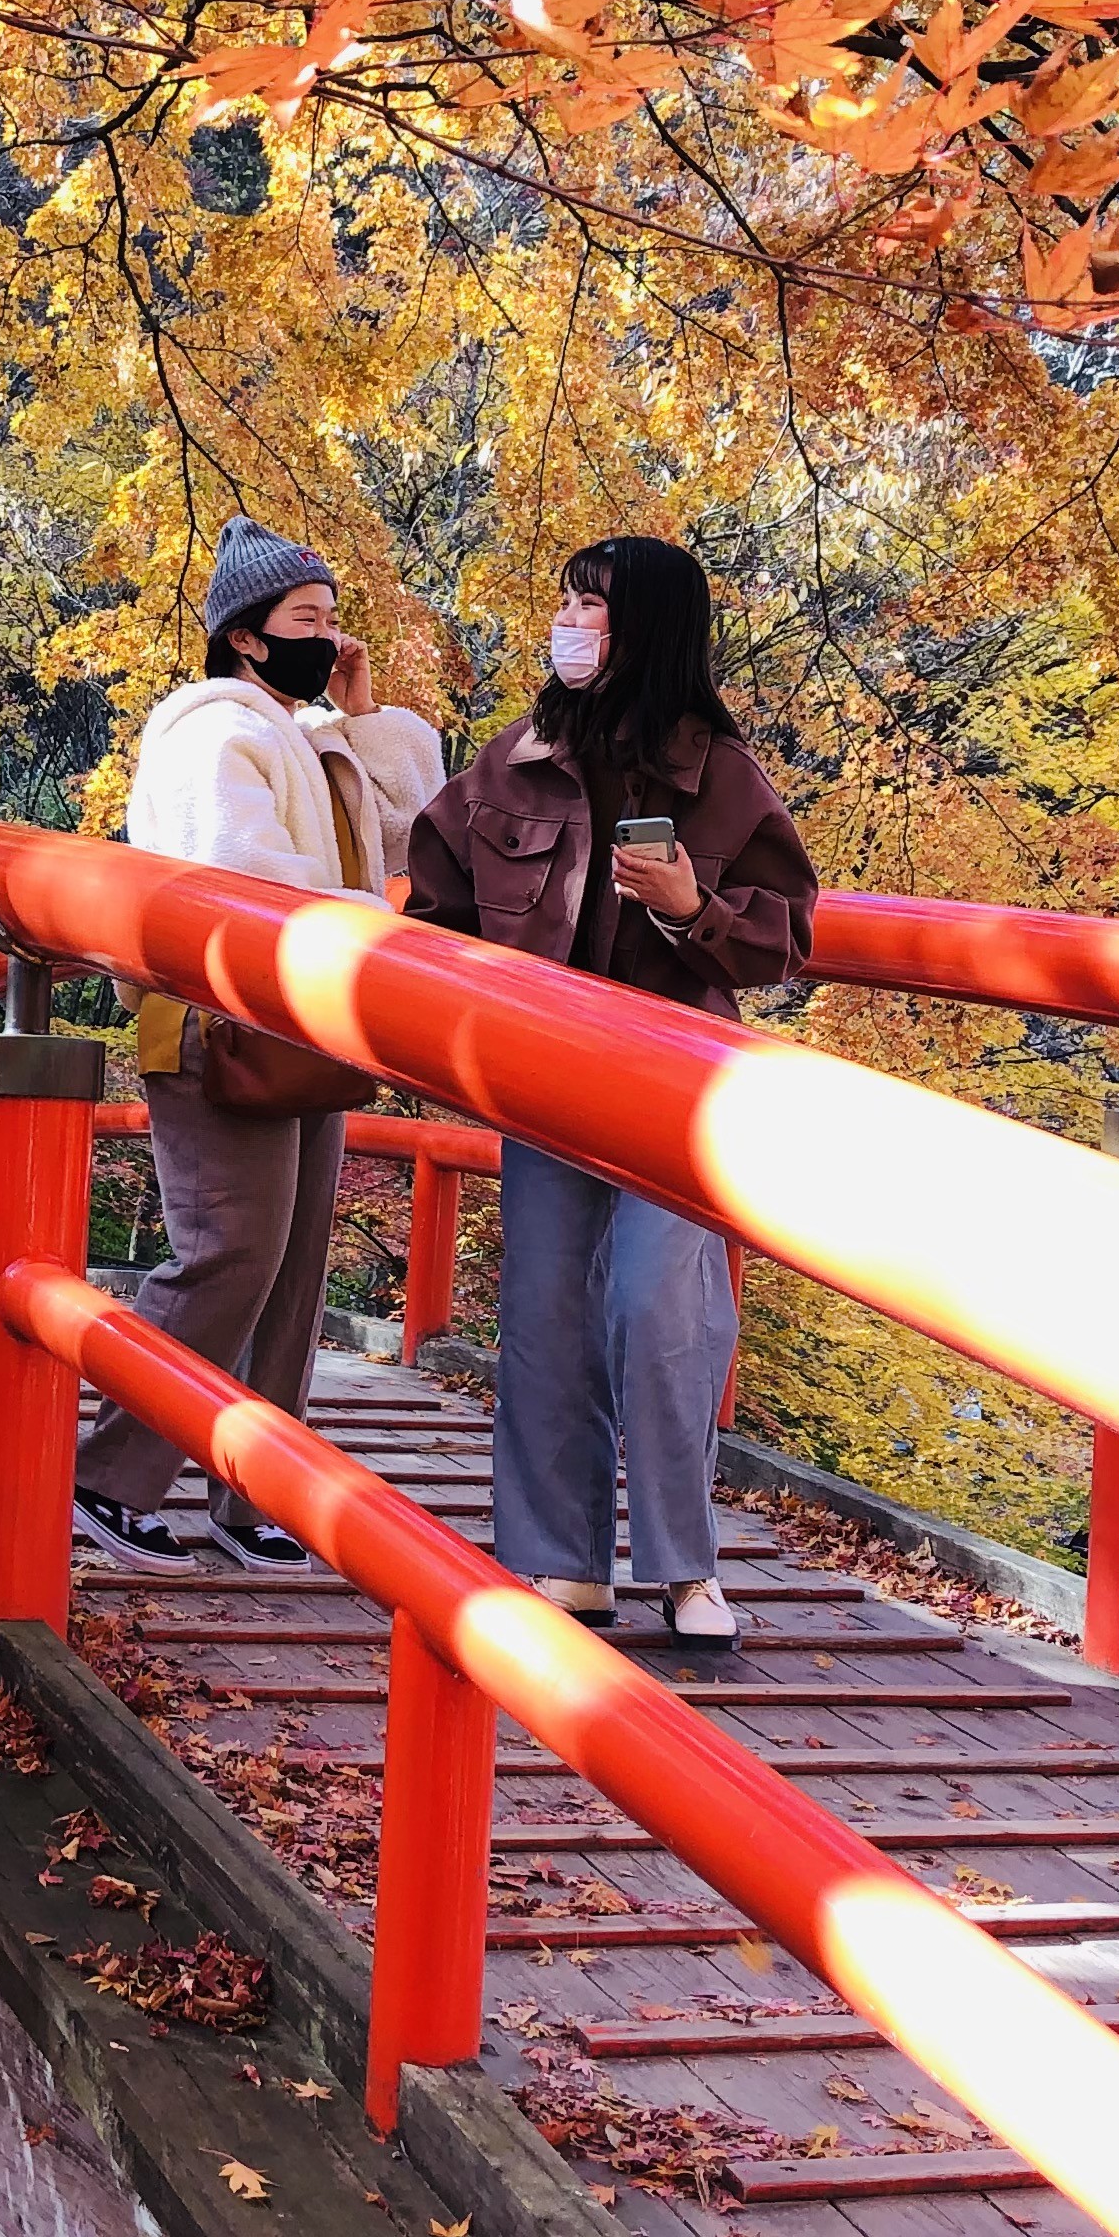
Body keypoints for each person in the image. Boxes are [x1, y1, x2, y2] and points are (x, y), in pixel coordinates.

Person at [404, 535, 815, 1644]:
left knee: (658, 1308)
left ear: (650, 630)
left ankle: (687, 1567)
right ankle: (563, 1560)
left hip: (679, 1087)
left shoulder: (721, 777)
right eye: (569, 603)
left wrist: (691, 907)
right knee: (546, 1314)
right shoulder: (514, 761)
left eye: (593, 606)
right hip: (543, 1078)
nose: (572, 624)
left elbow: (785, 945)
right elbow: (431, 905)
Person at [71, 512, 446, 1569]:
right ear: (245, 633)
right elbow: (240, 877)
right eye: (305, 620)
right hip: (219, 1019)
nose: (326, 641)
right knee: (230, 1253)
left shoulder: (309, 739)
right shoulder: (211, 730)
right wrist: (360, 925)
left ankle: (257, 1486)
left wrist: (366, 720)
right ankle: (107, 1476)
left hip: (305, 1020)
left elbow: (412, 838)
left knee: (292, 1275)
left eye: (333, 622)